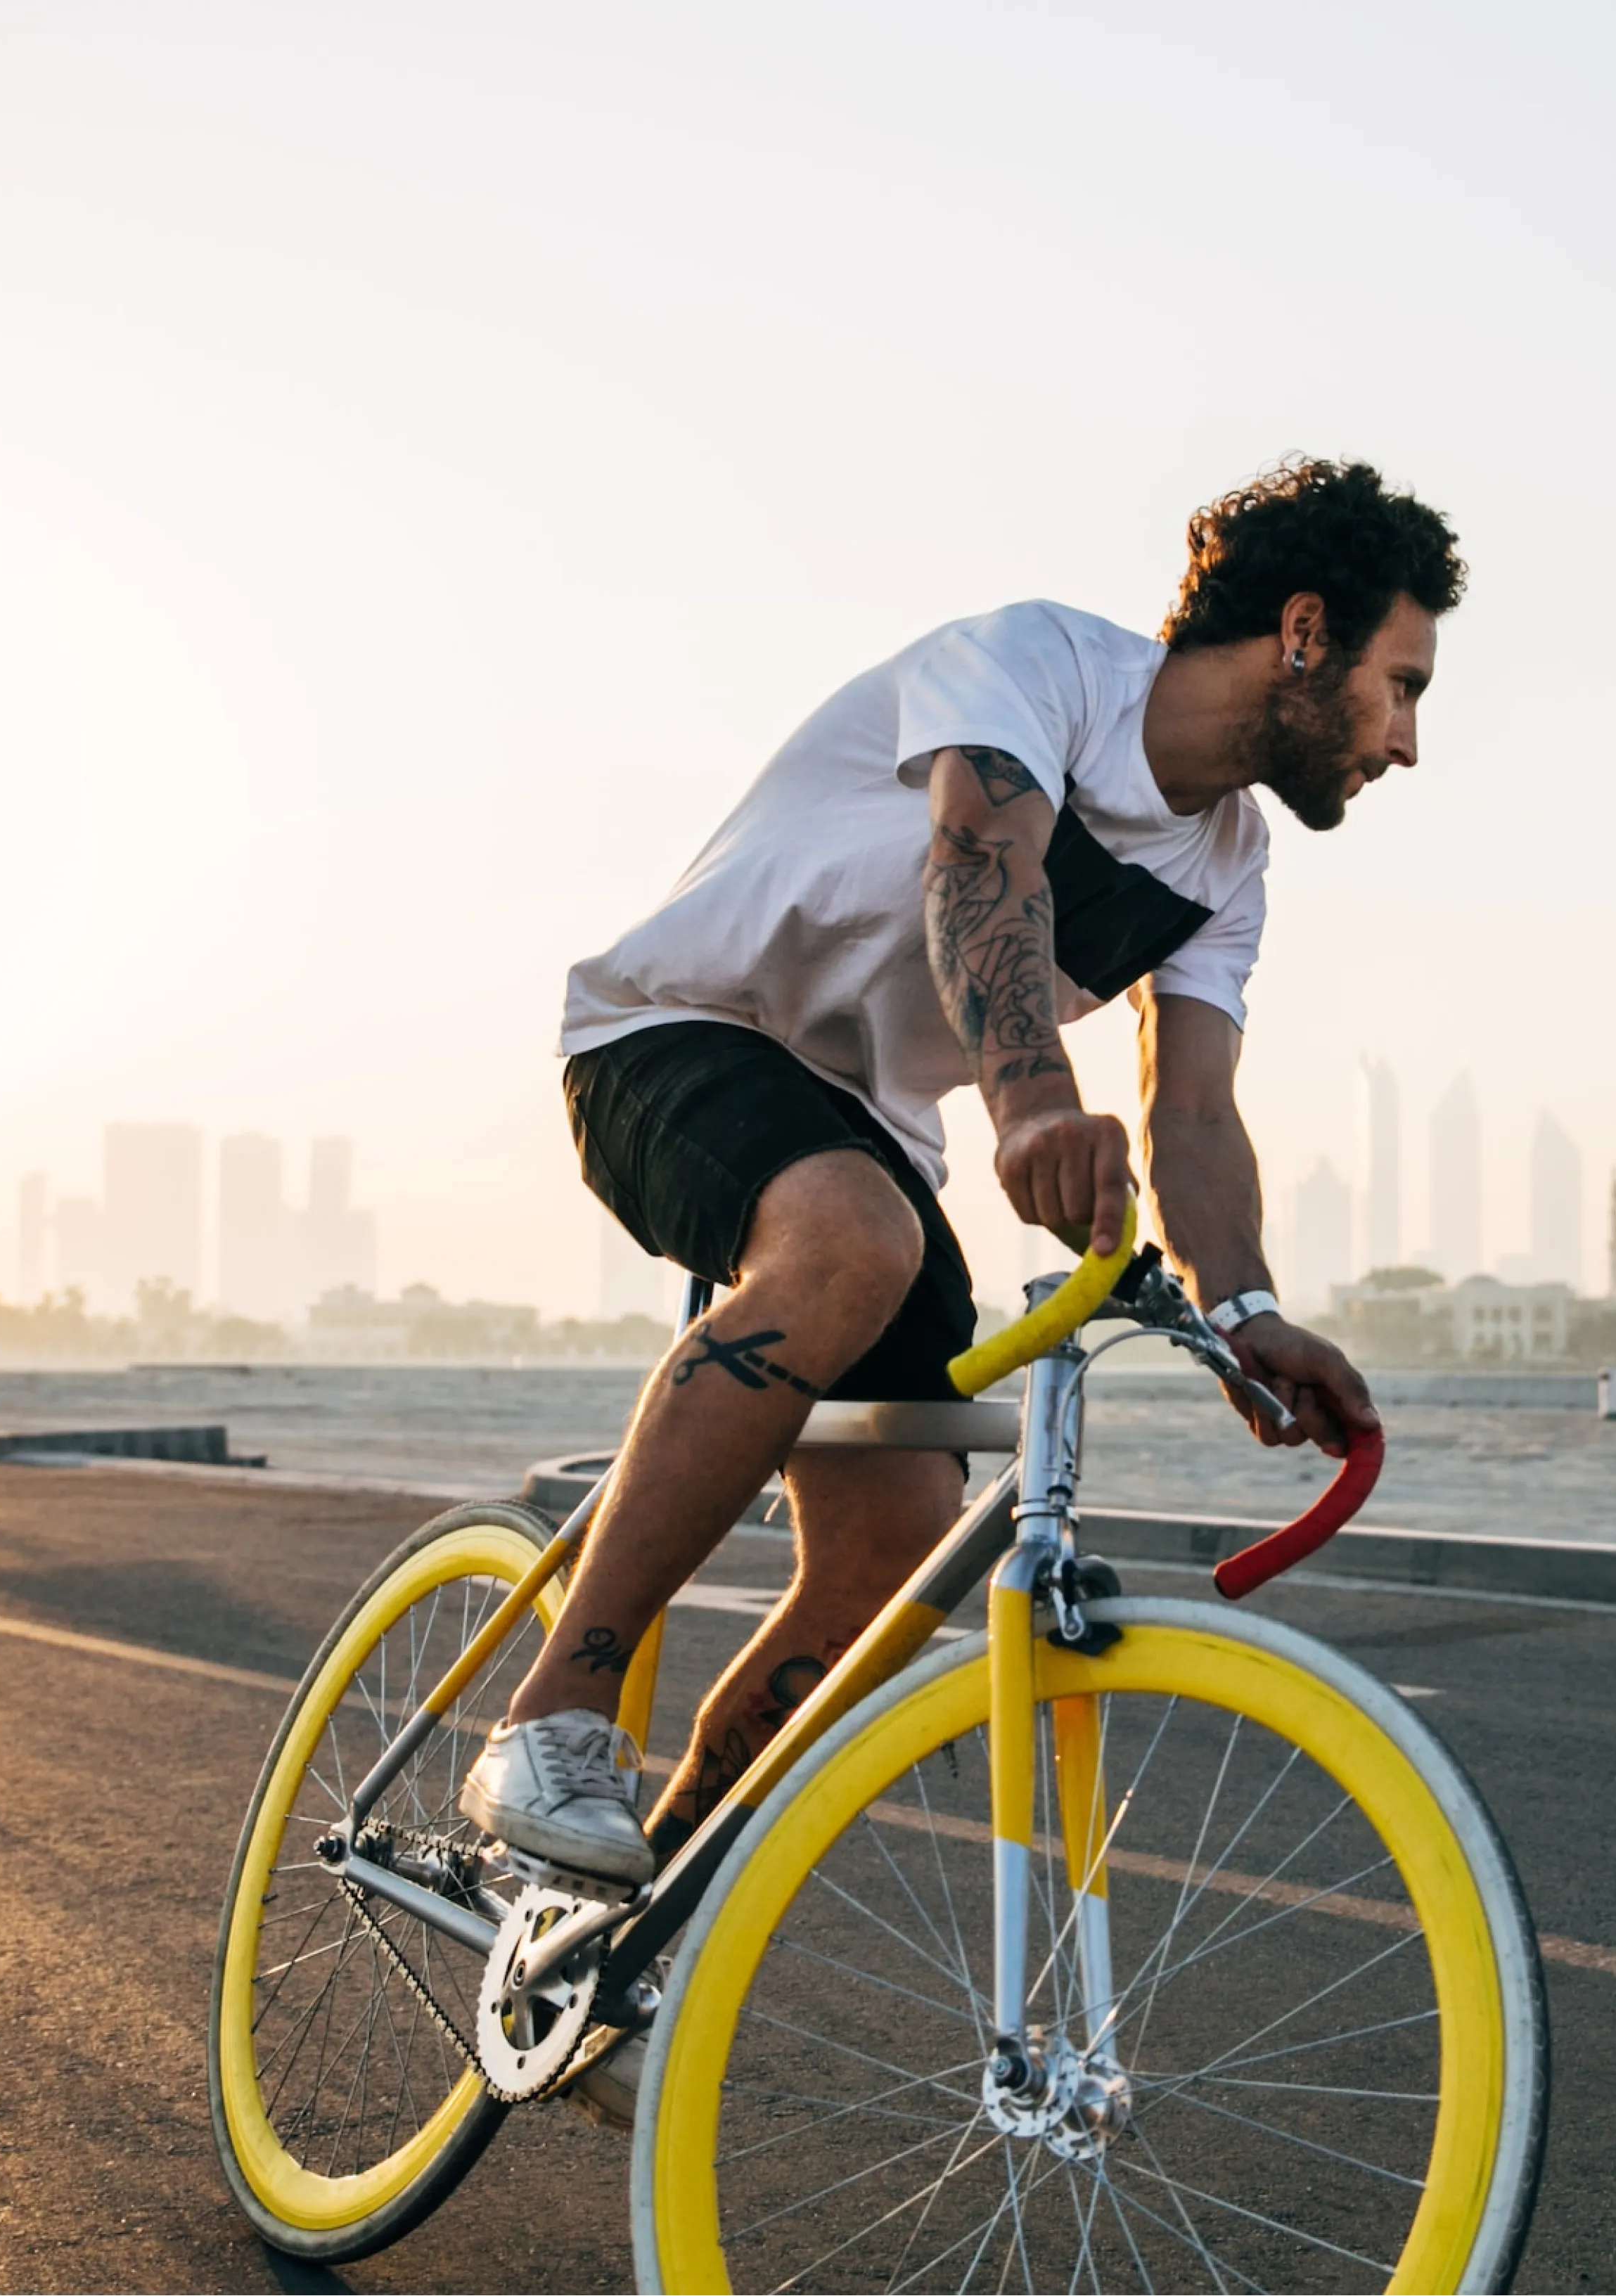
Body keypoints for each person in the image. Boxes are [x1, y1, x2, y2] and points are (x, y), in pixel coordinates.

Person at [461, 455, 1462, 1982]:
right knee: (858, 1241)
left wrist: (1251, 1316)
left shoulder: (1229, 866)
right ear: (1306, 632)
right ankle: (551, 1718)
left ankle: (613, 1935)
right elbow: (976, 867)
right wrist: (1036, 1110)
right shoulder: (1041, 664)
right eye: (1402, 687)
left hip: (864, 1133)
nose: (1407, 744)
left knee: (894, 1567)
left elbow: (1193, 1115)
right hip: (670, 1037)